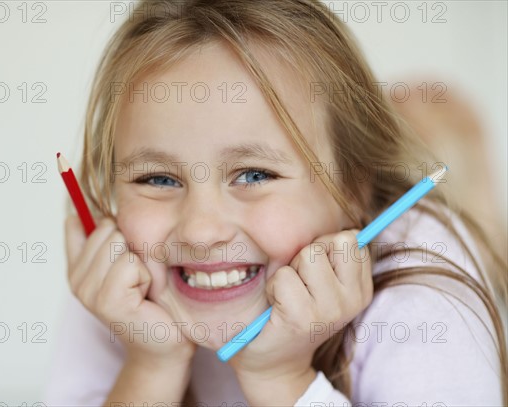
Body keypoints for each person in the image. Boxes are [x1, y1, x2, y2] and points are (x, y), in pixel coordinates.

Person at [43, 1, 507, 405]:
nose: (201, 232)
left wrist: (283, 381)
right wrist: (149, 367)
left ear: (354, 187)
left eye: (254, 174)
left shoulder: (425, 298)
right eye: (158, 178)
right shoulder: (122, 288)